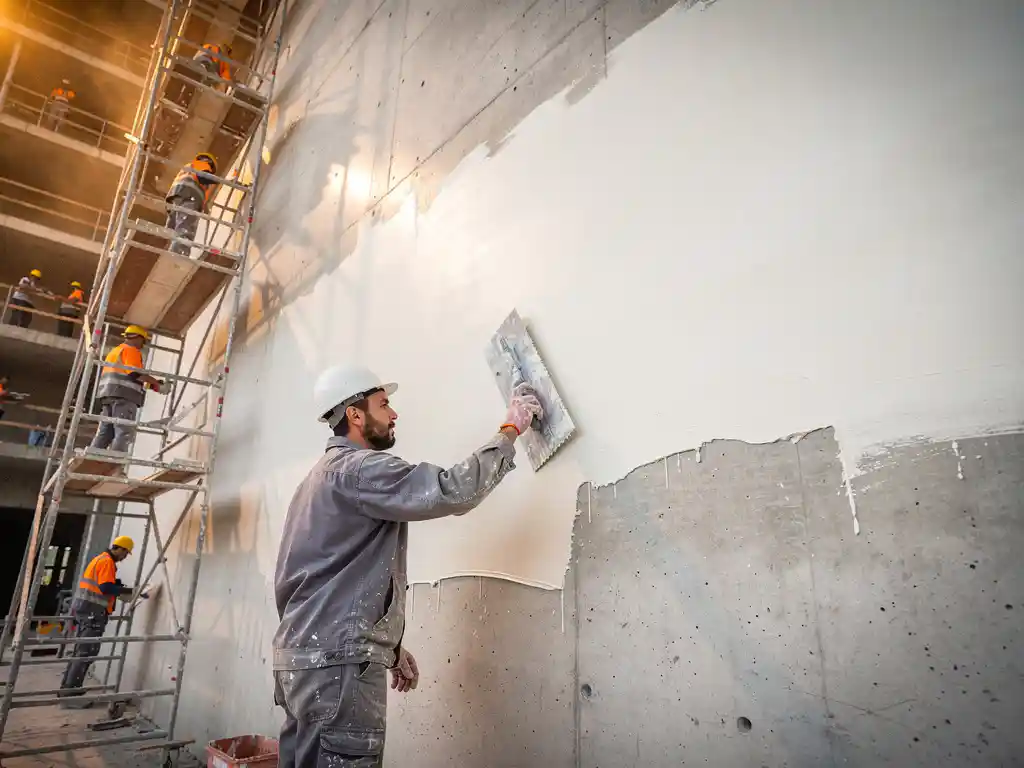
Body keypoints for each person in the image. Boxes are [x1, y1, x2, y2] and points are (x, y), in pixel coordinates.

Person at [272, 365, 543, 767]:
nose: (394, 414)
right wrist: (510, 430)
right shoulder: (358, 469)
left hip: (299, 664)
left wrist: (388, 646)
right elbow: (453, 490)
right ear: (355, 415)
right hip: (337, 672)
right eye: (383, 404)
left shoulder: (313, 483)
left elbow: (327, 582)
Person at [58, 537, 147, 707]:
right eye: (125, 553)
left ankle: (69, 689)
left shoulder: (100, 559)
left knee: (81, 651)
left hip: (86, 609)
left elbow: (103, 584)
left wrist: (118, 585)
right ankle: (70, 696)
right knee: (85, 652)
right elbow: (105, 588)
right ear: (119, 549)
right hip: (93, 611)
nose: (125, 557)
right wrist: (131, 590)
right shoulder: (107, 562)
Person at [90, 326, 164, 454]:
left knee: (106, 432)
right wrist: (157, 382)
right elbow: (135, 374)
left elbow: (128, 378)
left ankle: (92, 458)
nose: (143, 345)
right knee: (124, 431)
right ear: (136, 337)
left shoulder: (116, 351)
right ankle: (114, 463)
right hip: (123, 397)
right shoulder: (131, 351)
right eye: (143, 341)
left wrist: (153, 386)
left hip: (108, 396)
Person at [165, 152, 218, 257]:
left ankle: (168, 251)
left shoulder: (188, 167)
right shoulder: (205, 170)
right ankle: (178, 255)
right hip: (191, 194)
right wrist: (203, 207)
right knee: (185, 228)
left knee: (172, 227)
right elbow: (205, 194)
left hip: (175, 195)